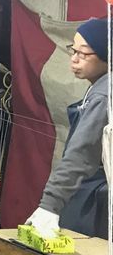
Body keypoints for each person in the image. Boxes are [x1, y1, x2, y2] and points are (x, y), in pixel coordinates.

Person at [27, 18, 110, 238]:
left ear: (106, 53)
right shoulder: (99, 88)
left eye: (83, 54)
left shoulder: (104, 95)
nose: (74, 59)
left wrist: (49, 204)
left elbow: (81, 154)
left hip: (98, 198)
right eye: (72, 50)